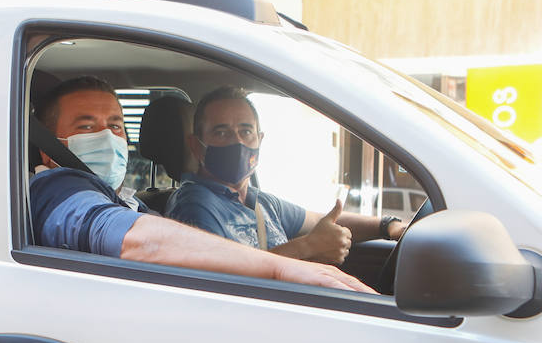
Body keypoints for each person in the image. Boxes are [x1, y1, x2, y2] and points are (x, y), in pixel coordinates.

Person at [29, 76, 375, 294]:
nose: (107, 136)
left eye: (116, 126)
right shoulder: (58, 190)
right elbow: (127, 236)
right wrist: (288, 264)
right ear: (49, 151)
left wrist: (390, 227)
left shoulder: (129, 202)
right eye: (88, 128)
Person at [165, 87, 404, 264]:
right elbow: (220, 277)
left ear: (260, 140)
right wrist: (307, 248)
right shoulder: (194, 206)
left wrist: (387, 226)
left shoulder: (261, 202)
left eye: (245, 131)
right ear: (196, 146)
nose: (237, 141)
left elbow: (319, 221)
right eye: (221, 132)